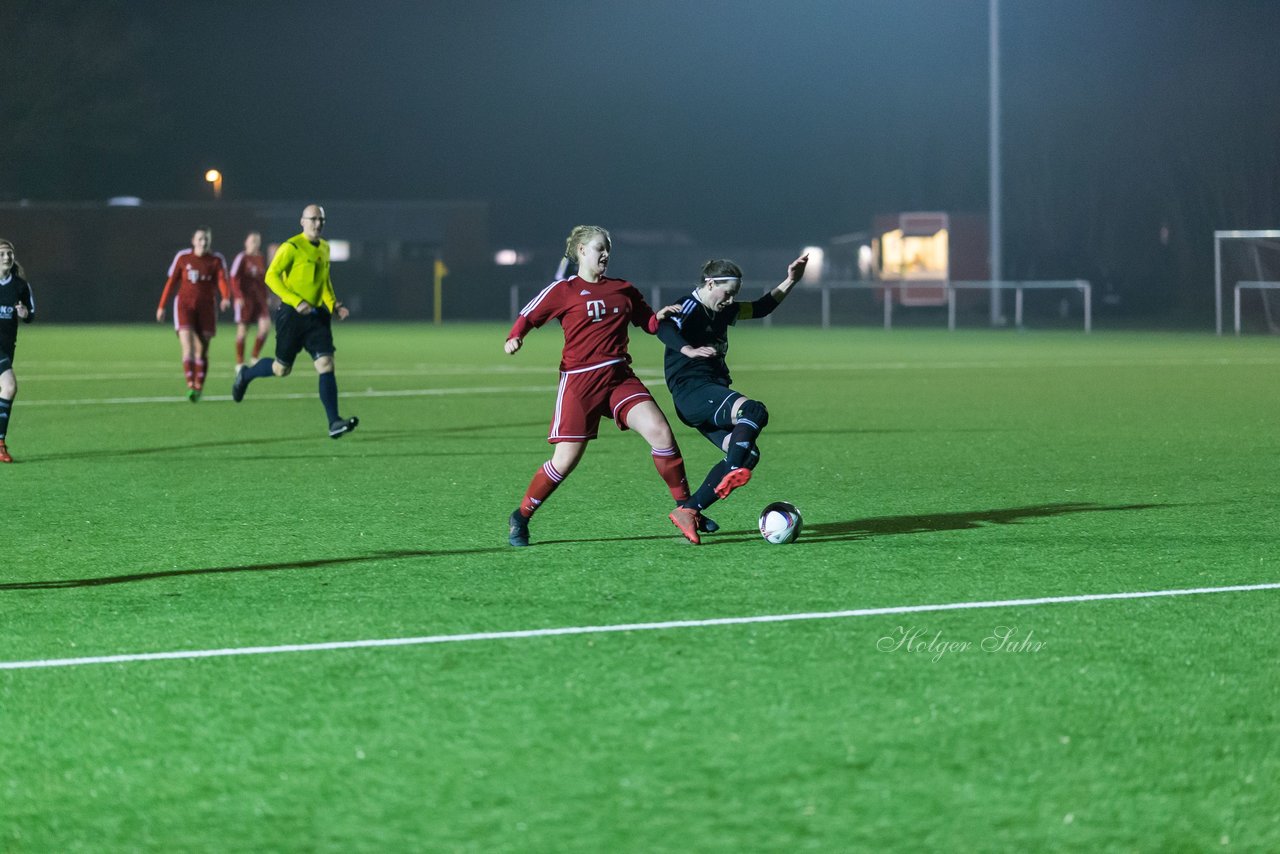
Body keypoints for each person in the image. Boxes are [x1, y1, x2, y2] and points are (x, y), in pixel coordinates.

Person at [504, 224, 702, 547]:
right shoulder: (563, 291)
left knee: (661, 432)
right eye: (600, 248)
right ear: (582, 251)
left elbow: (647, 322)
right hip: (580, 383)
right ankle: (522, 516)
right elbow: (528, 315)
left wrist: (660, 317)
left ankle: (687, 508)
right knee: (564, 461)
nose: (606, 254)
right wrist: (515, 337)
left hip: (619, 377)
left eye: (609, 248)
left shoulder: (622, 289)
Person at [655, 253, 808, 524]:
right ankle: (733, 467)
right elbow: (664, 327)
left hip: (708, 392)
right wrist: (687, 349)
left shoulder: (724, 309)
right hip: (694, 391)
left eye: (733, 295)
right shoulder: (688, 306)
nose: (729, 301)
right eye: (727, 294)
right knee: (753, 410)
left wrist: (791, 281)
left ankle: (688, 511)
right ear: (710, 283)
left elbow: (761, 307)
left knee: (749, 453)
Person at [231, 204, 358, 439]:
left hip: (317, 316)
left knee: (326, 364)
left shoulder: (325, 247)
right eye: (313, 219)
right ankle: (246, 375)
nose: (318, 223)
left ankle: (334, 422)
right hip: (291, 316)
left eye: (321, 219)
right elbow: (271, 276)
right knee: (281, 369)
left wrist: (334, 305)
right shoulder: (291, 247)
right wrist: (294, 300)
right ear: (302, 221)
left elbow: (324, 281)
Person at [155, 227, 232, 401]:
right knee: (188, 348)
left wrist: (226, 297)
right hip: (184, 306)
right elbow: (171, 282)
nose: (203, 242)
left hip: (206, 308)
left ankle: (199, 385)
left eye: (206, 239)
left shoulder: (216, 260)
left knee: (202, 351)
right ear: (193, 241)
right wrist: (161, 306)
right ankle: (191, 385)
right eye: (200, 239)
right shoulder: (183, 258)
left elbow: (222, 280)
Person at [0, 238, 36, 463]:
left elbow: (31, 313)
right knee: (10, 386)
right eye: (2, 254)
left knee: (5, 390)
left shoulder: (20, 286)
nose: (7, 257)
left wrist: (24, 314)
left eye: (9, 254)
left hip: (6, 347)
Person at [229, 231, 272, 373]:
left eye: (257, 241)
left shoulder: (260, 258)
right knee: (242, 331)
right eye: (252, 240)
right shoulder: (242, 258)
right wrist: (238, 296)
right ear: (246, 242)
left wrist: (266, 296)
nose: (255, 243)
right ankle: (240, 362)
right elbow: (234, 278)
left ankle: (254, 357)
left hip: (259, 300)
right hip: (245, 300)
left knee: (265, 327)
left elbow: (263, 280)